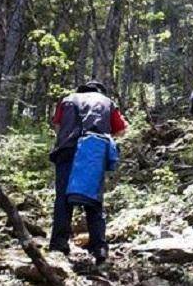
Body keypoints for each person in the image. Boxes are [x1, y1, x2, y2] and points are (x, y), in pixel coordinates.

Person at [49, 80, 128, 265]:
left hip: (66, 150)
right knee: (93, 199)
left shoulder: (67, 100)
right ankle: (99, 248)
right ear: (100, 90)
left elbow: (57, 126)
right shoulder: (107, 102)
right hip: (93, 152)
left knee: (62, 199)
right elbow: (122, 129)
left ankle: (58, 246)